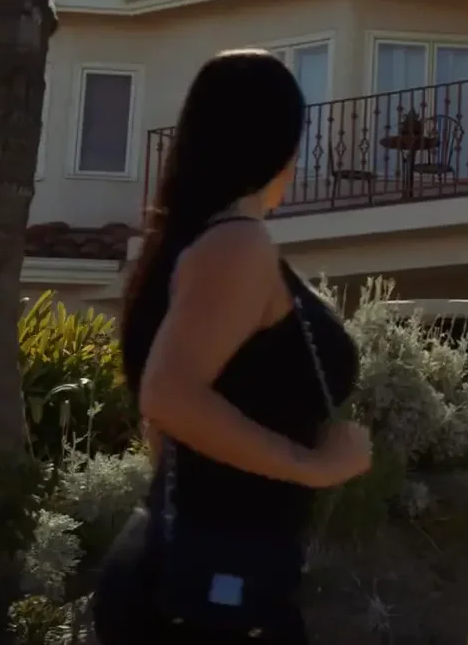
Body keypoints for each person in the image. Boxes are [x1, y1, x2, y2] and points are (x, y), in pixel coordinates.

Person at [93, 50, 375, 643]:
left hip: (199, 576)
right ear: (281, 146)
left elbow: (168, 421)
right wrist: (313, 465)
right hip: (215, 589)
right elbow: (169, 396)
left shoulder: (189, 243)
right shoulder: (238, 245)